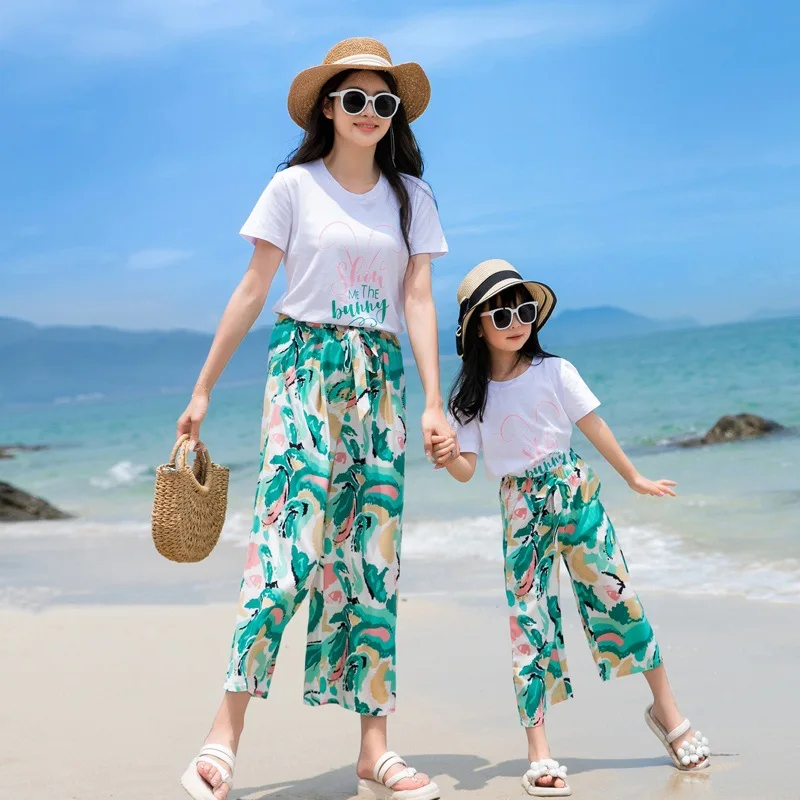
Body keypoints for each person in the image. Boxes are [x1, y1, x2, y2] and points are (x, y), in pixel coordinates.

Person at [177, 37, 453, 800]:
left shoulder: (413, 199)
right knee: (286, 549)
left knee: (373, 558)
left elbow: (420, 301)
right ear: (328, 106)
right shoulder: (293, 188)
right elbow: (253, 288)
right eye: (355, 98)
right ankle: (221, 735)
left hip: (382, 377)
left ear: (394, 116)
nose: (370, 113)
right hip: (304, 366)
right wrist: (203, 389)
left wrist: (433, 400)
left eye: (383, 102)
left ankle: (374, 748)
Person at [435, 259, 711, 797]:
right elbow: (467, 470)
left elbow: (594, 425)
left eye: (525, 309)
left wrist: (634, 477)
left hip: (574, 493)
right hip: (520, 509)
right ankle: (538, 752)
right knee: (529, 621)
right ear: (477, 328)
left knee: (618, 598)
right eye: (502, 313)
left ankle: (668, 713)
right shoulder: (470, 400)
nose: (517, 321)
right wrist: (446, 454)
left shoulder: (556, 371)